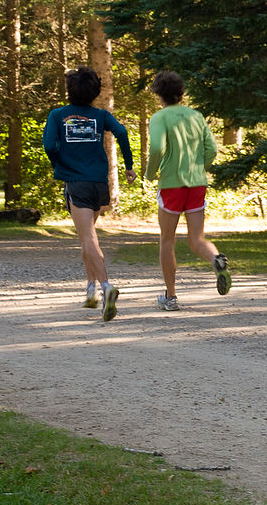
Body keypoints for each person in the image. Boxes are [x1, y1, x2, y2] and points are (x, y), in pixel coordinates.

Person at [43, 66, 136, 321]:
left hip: (76, 182)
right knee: (87, 237)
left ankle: (106, 286)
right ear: (95, 91)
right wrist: (128, 165)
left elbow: (49, 145)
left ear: (69, 91)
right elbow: (122, 132)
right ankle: (91, 289)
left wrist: (59, 163)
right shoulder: (101, 115)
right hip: (98, 183)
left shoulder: (58, 115)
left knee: (88, 238)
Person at [144, 70, 230, 311]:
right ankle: (216, 260)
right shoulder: (196, 116)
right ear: (181, 92)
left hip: (172, 185)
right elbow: (211, 150)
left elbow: (158, 148)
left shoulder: (160, 117)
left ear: (158, 94)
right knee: (196, 239)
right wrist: (197, 169)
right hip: (197, 184)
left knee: (167, 240)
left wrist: (150, 174)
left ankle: (170, 297)